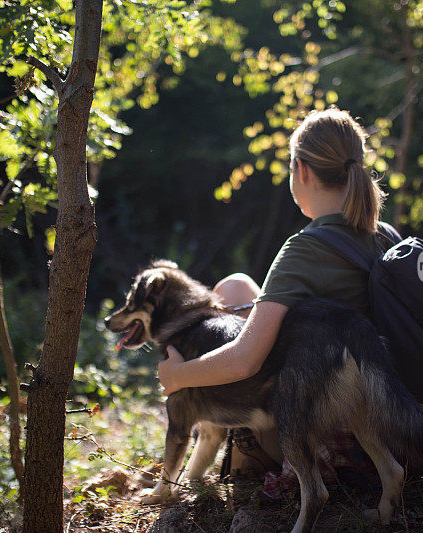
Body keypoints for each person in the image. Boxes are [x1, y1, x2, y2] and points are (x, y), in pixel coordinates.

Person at [158, 107, 404, 488]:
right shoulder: (384, 233)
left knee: (234, 317)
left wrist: (178, 375)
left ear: (302, 170)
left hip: (334, 435)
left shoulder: (304, 250)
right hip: (392, 414)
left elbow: (244, 361)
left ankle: (238, 457)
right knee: (236, 287)